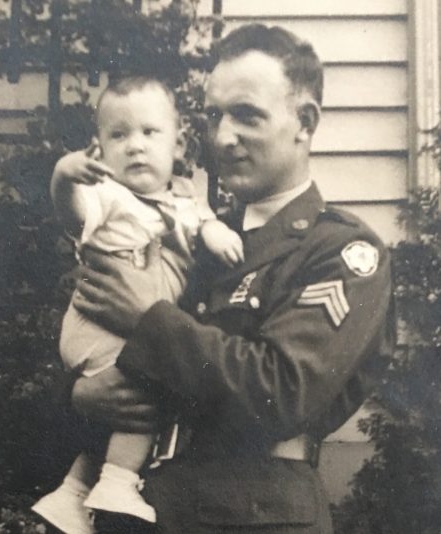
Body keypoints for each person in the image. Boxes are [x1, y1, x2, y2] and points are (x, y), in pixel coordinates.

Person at [71, 24, 394, 534]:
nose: (222, 137)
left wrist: (149, 318)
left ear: (305, 122)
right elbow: (94, 338)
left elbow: (282, 393)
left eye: (246, 115)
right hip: (147, 512)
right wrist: (80, 395)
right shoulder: (190, 233)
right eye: (214, 116)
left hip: (256, 516)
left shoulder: (339, 251)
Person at [32, 74, 243, 534]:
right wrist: (64, 176)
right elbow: (72, 213)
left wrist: (215, 232)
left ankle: (73, 492)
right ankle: (118, 482)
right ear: (99, 151)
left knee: (123, 401)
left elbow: (202, 221)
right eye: (119, 135)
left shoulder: (184, 196)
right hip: (100, 324)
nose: (136, 146)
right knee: (150, 383)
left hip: (132, 325)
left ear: (177, 144)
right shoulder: (108, 196)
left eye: (150, 132)